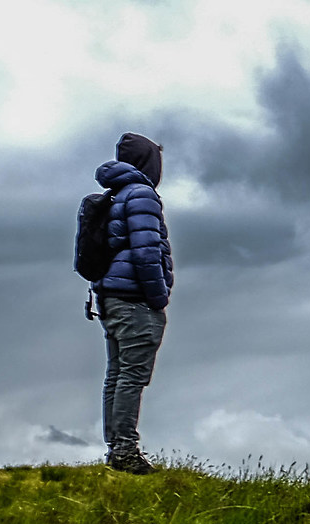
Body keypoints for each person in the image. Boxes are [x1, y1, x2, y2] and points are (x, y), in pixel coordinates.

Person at [93, 133, 173, 474]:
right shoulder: (142, 195)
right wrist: (157, 297)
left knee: (117, 374)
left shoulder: (116, 194)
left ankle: (116, 448)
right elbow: (146, 251)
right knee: (132, 377)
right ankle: (125, 452)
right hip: (135, 300)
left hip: (110, 297)